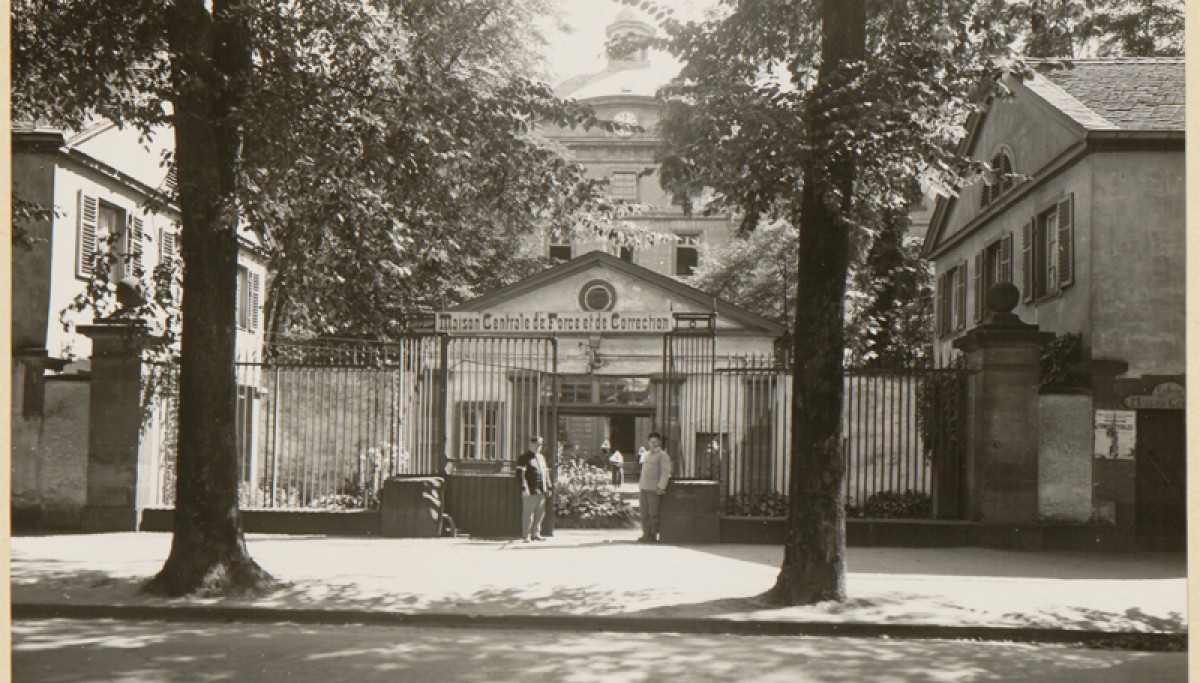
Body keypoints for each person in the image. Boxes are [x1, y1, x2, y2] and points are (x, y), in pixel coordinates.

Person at [515, 435, 551, 542]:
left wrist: (548, 487)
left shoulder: (541, 458)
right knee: (528, 514)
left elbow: (545, 473)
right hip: (530, 490)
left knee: (540, 514)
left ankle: (536, 534)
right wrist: (524, 488)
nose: (538, 446)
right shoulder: (524, 458)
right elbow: (520, 475)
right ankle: (526, 536)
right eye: (535, 444)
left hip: (541, 490)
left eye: (540, 444)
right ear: (531, 444)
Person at [637, 432, 671, 543]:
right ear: (648, 443)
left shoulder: (662, 455)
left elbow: (665, 472)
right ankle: (645, 534)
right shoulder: (646, 454)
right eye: (652, 441)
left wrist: (661, 486)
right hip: (644, 487)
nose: (654, 443)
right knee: (644, 513)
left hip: (653, 489)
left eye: (656, 441)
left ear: (659, 442)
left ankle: (653, 535)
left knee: (653, 513)